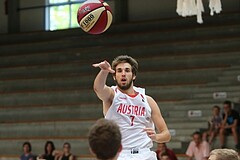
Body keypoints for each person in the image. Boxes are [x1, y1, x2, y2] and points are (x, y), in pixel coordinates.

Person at [93, 55, 171, 160]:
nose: (123, 74)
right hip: (120, 154)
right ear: (114, 76)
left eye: (127, 70)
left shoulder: (148, 100)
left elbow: (166, 134)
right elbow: (98, 88)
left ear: (133, 75)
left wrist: (156, 137)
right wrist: (104, 71)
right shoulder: (111, 95)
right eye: (119, 71)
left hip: (145, 154)